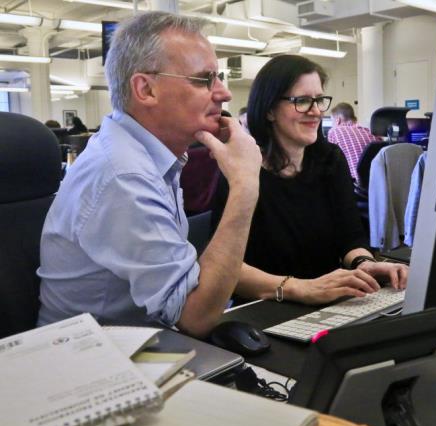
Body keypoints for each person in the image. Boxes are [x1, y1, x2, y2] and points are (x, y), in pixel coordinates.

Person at [37, 11, 262, 338]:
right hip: (89, 359)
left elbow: (186, 275)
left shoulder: (151, 155)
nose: (224, 93)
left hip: (135, 344)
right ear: (146, 89)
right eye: (204, 79)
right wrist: (245, 185)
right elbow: (195, 316)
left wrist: (290, 287)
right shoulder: (123, 174)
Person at [214, 55, 407, 305]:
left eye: (319, 100)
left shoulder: (330, 160)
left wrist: (365, 264)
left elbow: (351, 237)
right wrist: (301, 289)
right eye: (302, 101)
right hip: (266, 307)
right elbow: (226, 268)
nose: (316, 111)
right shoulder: (240, 171)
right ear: (270, 110)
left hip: (328, 300)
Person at [327, 102, 377, 183]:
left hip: (355, 184)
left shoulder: (334, 131)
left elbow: (330, 163)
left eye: (332, 121)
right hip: (375, 183)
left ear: (337, 120)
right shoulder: (371, 132)